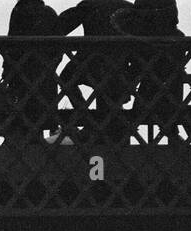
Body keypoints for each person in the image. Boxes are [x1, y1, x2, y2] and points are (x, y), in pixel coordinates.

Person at [55, 0, 134, 143]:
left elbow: (60, 27)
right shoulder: (128, 8)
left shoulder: (90, 5)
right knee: (111, 96)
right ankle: (111, 129)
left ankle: (88, 121)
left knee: (66, 77)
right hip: (120, 68)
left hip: (90, 63)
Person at [110, 0, 188, 143]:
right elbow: (171, 19)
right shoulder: (175, 36)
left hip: (146, 60)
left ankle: (124, 130)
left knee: (149, 89)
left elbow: (140, 19)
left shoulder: (139, 31)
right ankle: (173, 131)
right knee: (168, 88)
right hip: (162, 63)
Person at [2, 0, 66, 137]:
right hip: (45, 74)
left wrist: (7, 70)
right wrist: (51, 65)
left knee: (25, 122)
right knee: (43, 115)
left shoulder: (19, 12)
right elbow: (59, 47)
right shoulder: (48, 13)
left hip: (21, 73)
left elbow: (11, 43)